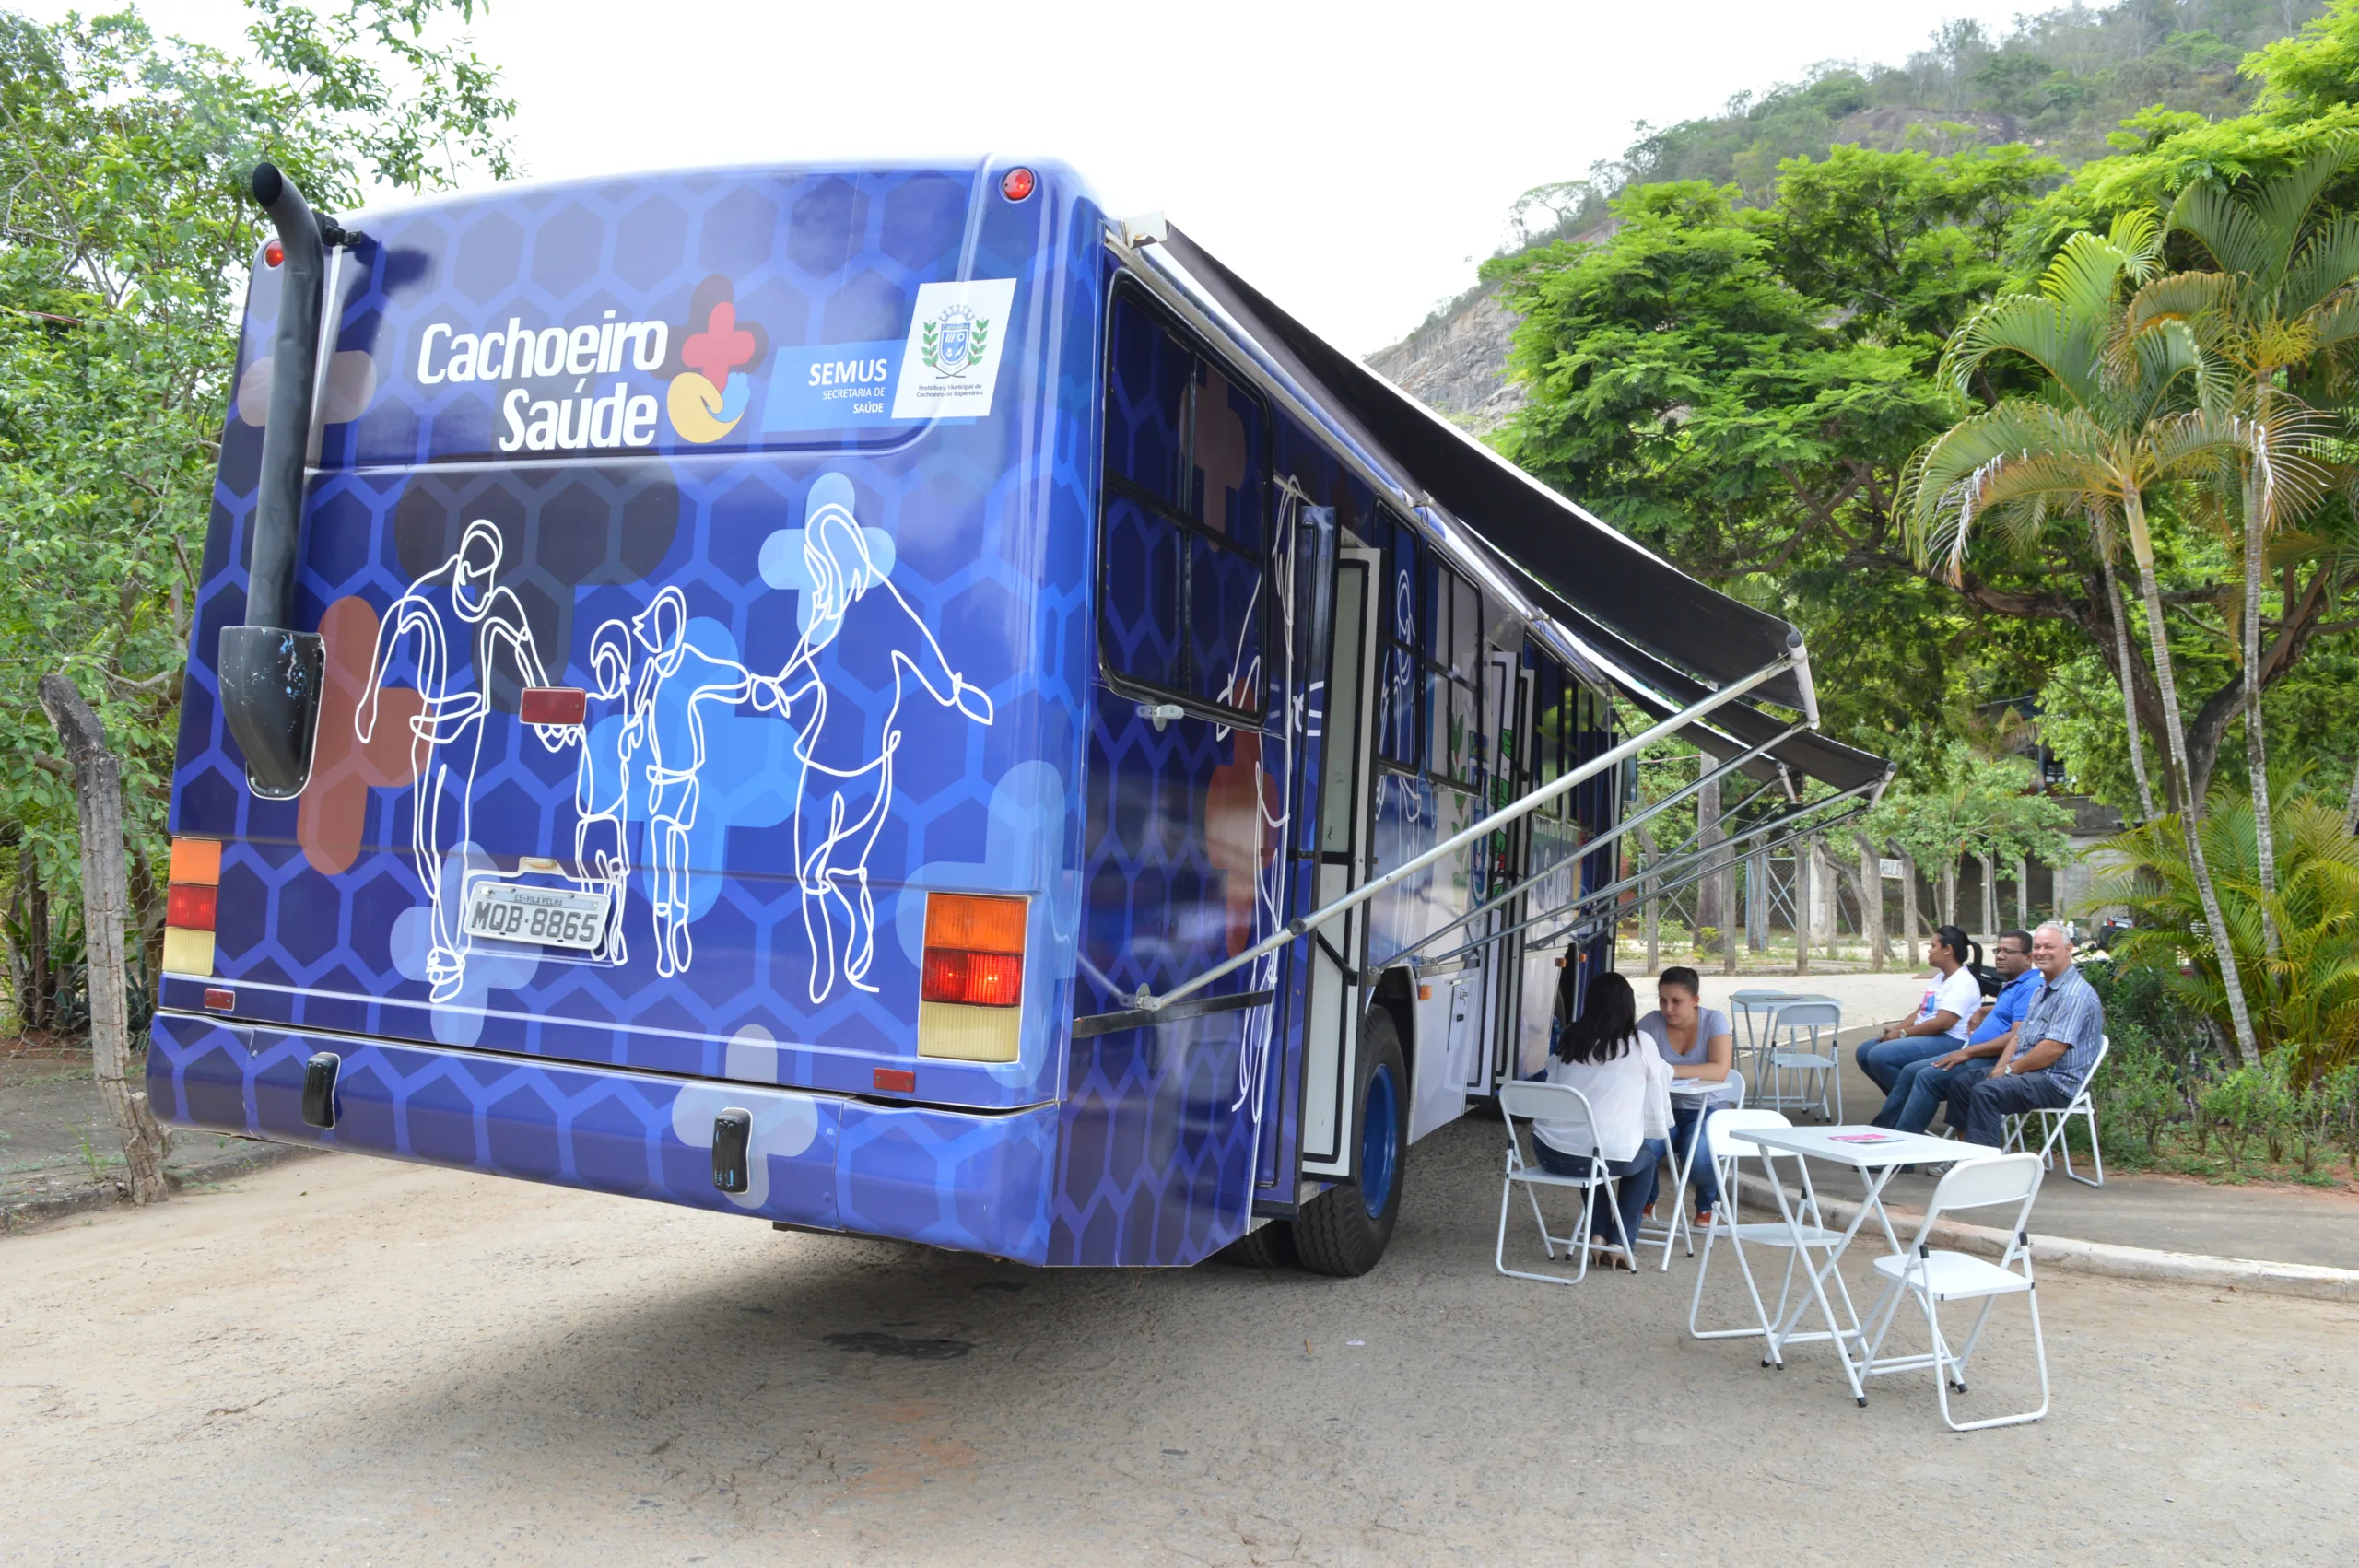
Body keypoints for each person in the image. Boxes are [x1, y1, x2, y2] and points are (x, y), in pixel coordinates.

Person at [1532, 971, 1672, 1270]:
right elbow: (1658, 1097)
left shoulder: (1570, 1039)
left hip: (1552, 1154)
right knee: (1641, 1160)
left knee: (1591, 1149)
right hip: (1598, 1157)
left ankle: (1597, 1234)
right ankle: (1622, 1240)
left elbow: (1553, 1089)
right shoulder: (1640, 1042)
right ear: (1628, 1005)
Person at [1944, 921, 2107, 1149]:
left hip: (2056, 1082)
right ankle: (1968, 1153)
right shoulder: (2042, 989)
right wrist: (2000, 1068)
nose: (2041, 953)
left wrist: (2009, 1070)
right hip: (2030, 1073)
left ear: (2068, 950)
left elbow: (2052, 1049)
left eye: (2049, 947)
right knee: (1962, 1084)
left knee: (1986, 1091)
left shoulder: (2073, 995)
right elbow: (2019, 1036)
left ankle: (1985, 1166)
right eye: (2038, 947)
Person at [1871, 929, 2039, 1132]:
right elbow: (2015, 1011)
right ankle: (1882, 1133)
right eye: (1998, 950)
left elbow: (2018, 1035)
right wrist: (1984, 1009)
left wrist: (1967, 1052)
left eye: (2008, 952)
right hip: (1976, 1052)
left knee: (1925, 1076)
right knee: (1909, 1071)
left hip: (1993, 1059)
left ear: (2028, 957)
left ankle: (1903, 1151)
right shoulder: (2014, 983)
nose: (2000, 956)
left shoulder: (2030, 986)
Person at [1637, 965, 1739, 1227]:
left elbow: (1720, 1069)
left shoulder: (1714, 1021)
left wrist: (1669, 1071)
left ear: (1695, 1001)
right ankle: (1644, 1200)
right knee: (1644, 1147)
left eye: (1676, 1001)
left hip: (1708, 1109)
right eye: (1662, 1000)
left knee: (1699, 1153)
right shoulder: (1649, 1023)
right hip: (1662, 1109)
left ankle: (1707, 1203)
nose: (1667, 1008)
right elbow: (1632, 1062)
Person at [1857, 924, 1981, 1095]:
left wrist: (1902, 1034)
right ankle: (1907, 1100)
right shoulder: (1939, 977)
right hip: (1929, 1035)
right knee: (1864, 1052)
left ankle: (1914, 1100)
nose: (1929, 951)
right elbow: (1920, 1012)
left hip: (1950, 1039)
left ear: (1947, 950)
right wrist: (1896, 1030)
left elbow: (1942, 1024)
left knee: (1879, 1056)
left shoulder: (1962, 982)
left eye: (1933, 946)